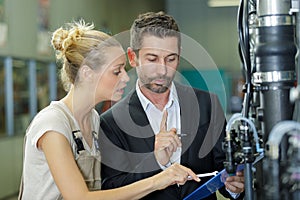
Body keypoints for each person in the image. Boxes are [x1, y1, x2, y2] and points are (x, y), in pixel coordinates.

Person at [18, 20, 200, 200]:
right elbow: (80, 198)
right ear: (88, 73)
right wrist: (159, 179)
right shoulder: (53, 123)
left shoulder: (94, 120)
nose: (125, 78)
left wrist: (157, 160)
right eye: (116, 71)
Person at [100, 11, 245, 199]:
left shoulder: (207, 105)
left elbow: (223, 170)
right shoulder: (112, 122)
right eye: (152, 59)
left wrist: (235, 186)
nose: (163, 70)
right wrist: (155, 161)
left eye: (171, 59)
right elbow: (112, 188)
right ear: (132, 57)